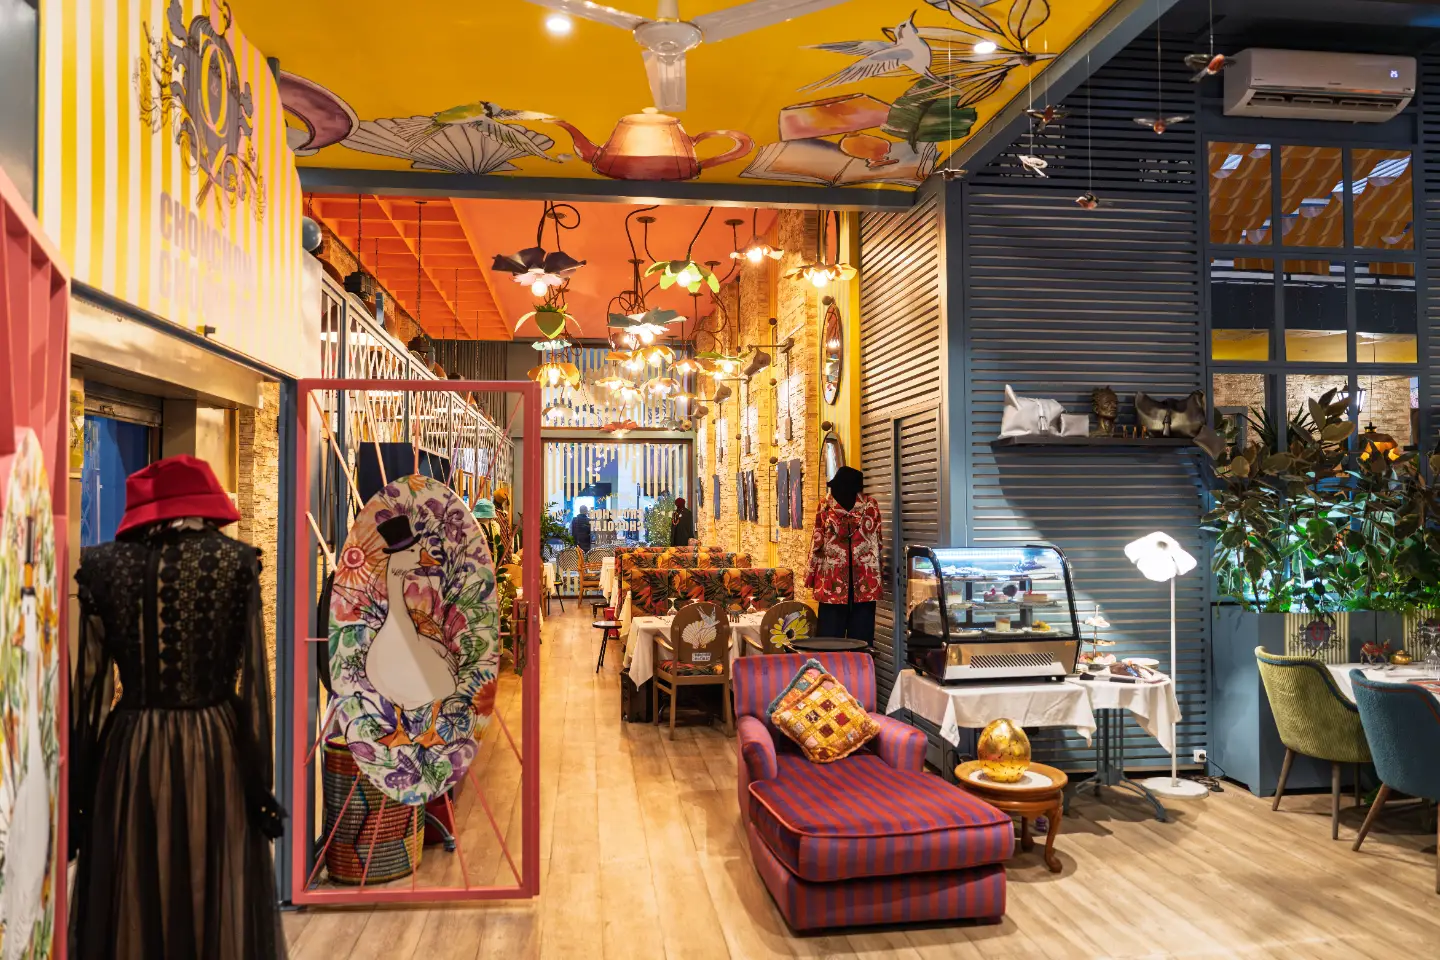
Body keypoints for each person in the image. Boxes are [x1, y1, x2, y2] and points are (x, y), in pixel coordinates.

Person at [805, 466, 882, 643]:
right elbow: (878, 541)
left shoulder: (826, 506)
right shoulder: (869, 505)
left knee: (840, 640)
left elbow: (817, 541)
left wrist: (810, 575)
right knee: (847, 640)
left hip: (840, 580)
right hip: (859, 579)